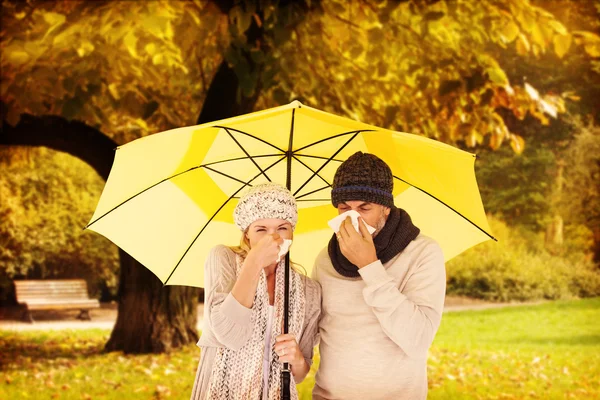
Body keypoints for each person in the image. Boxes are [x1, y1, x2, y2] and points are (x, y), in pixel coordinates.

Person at [312, 152, 446, 400]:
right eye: (344, 208)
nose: (353, 218)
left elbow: (417, 340)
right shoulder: (325, 259)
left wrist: (370, 265)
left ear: (385, 207)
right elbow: (310, 333)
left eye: (364, 208)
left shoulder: (422, 252)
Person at [190, 183, 321, 400]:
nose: (274, 238)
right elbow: (229, 335)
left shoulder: (309, 290)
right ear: (247, 234)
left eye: (282, 228)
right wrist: (254, 262)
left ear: (292, 233)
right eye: (261, 229)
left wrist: (295, 356)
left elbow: (300, 374)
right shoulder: (224, 260)